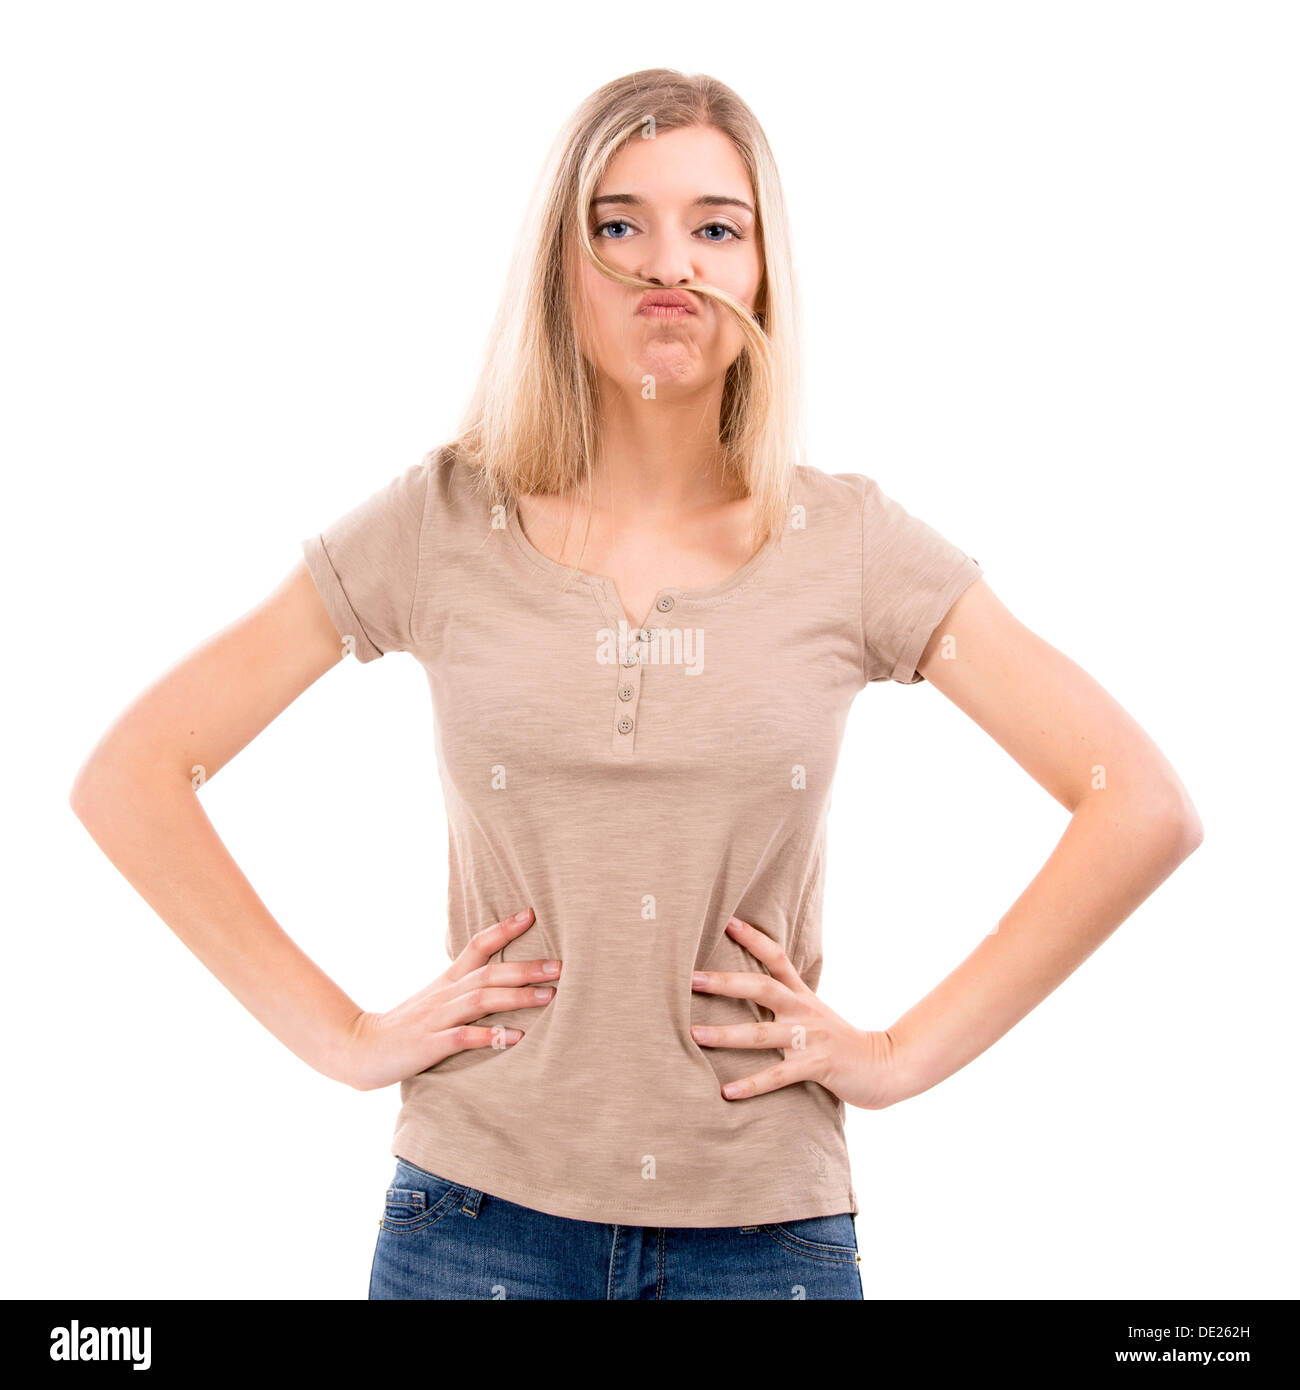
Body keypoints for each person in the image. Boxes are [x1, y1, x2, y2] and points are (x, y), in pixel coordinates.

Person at [69, 68, 1203, 1301]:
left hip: (765, 1236)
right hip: (471, 1223)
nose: (672, 261)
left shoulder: (851, 542)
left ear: (763, 267)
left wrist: (893, 1055)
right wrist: (344, 1038)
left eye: (716, 226)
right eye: (619, 223)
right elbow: (133, 776)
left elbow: (1135, 802)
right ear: (562, 262)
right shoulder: (440, 519)